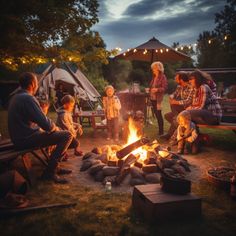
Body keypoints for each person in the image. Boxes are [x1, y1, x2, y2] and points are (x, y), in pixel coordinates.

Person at [8, 72, 73, 184]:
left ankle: (55, 168)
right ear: (33, 84)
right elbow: (46, 124)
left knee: (54, 133)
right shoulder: (27, 98)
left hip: (19, 137)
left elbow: (33, 120)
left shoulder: (16, 97)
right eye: (37, 83)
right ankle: (50, 172)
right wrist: (56, 129)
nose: (37, 85)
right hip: (26, 139)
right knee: (67, 135)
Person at [162, 71, 195, 140]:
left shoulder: (191, 87)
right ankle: (177, 120)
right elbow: (175, 93)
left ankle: (169, 134)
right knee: (167, 116)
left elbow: (188, 101)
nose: (175, 79)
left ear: (181, 80)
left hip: (188, 110)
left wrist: (176, 102)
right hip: (180, 109)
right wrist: (171, 96)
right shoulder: (180, 86)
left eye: (176, 78)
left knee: (174, 105)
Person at [149, 61, 168, 136]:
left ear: (158, 68)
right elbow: (151, 86)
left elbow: (165, 87)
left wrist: (157, 89)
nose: (153, 69)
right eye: (153, 68)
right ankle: (160, 131)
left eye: (154, 68)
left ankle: (161, 132)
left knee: (158, 114)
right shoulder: (154, 77)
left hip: (158, 99)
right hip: (152, 98)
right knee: (156, 115)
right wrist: (149, 89)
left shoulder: (163, 77)